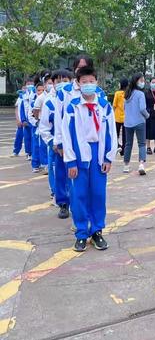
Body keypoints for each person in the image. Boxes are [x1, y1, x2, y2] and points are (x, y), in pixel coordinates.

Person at [62, 66, 117, 252]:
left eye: (91, 81)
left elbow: (111, 133)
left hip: (98, 155)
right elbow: (66, 135)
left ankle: (96, 231)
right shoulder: (72, 107)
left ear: (97, 82)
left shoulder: (105, 106)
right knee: (79, 195)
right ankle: (81, 234)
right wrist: (70, 160)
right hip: (79, 154)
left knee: (98, 194)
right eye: (84, 82)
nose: (88, 85)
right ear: (78, 84)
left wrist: (109, 157)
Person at [39, 69, 73, 218]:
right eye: (58, 81)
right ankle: (63, 203)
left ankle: (75, 202)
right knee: (59, 173)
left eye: (65, 80)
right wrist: (53, 142)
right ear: (52, 83)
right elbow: (44, 127)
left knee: (74, 174)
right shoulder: (49, 102)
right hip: (57, 146)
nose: (61, 84)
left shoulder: (75, 99)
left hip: (73, 144)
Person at [123, 73, 149, 175]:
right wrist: (147, 116)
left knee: (128, 144)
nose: (143, 82)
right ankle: (141, 164)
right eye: (142, 80)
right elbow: (142, 109)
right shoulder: (140, 94)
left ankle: (126, 165)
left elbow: (125, 108)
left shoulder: (127, 94)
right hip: (139, 121)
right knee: (142, 143)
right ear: (137, 81)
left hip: (128, 123)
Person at [113, 78, 128, 156]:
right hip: (126, 117)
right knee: (125, 135)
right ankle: (124, 150)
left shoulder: (117, 93)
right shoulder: (128, 93)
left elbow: (114, 105)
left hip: (117, 117)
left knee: (116, 134)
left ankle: (117, 146)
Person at [11, 87, 25, 157]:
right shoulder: (20, 98)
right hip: (20, 122)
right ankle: (16, 151)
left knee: (28, 139)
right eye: (24, 87)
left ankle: (29, 154)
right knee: (18, 137)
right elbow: (16, 109)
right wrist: (17, 120)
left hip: (27, 122)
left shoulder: (30, 97)